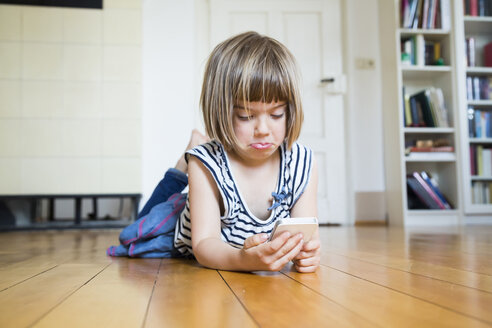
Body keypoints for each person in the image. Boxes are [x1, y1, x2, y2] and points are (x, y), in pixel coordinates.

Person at [108, 31, 320, 273]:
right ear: (221, 111)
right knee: (133, 236)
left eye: (276, 114)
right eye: (246, 116)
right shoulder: (205, 163)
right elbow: (203, 244)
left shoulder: (302, 162)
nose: (263, 129)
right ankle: (180, 170)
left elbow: (305, 234)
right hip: (181, 232)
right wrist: (243, 260)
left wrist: (306, 254)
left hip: (234, 243)